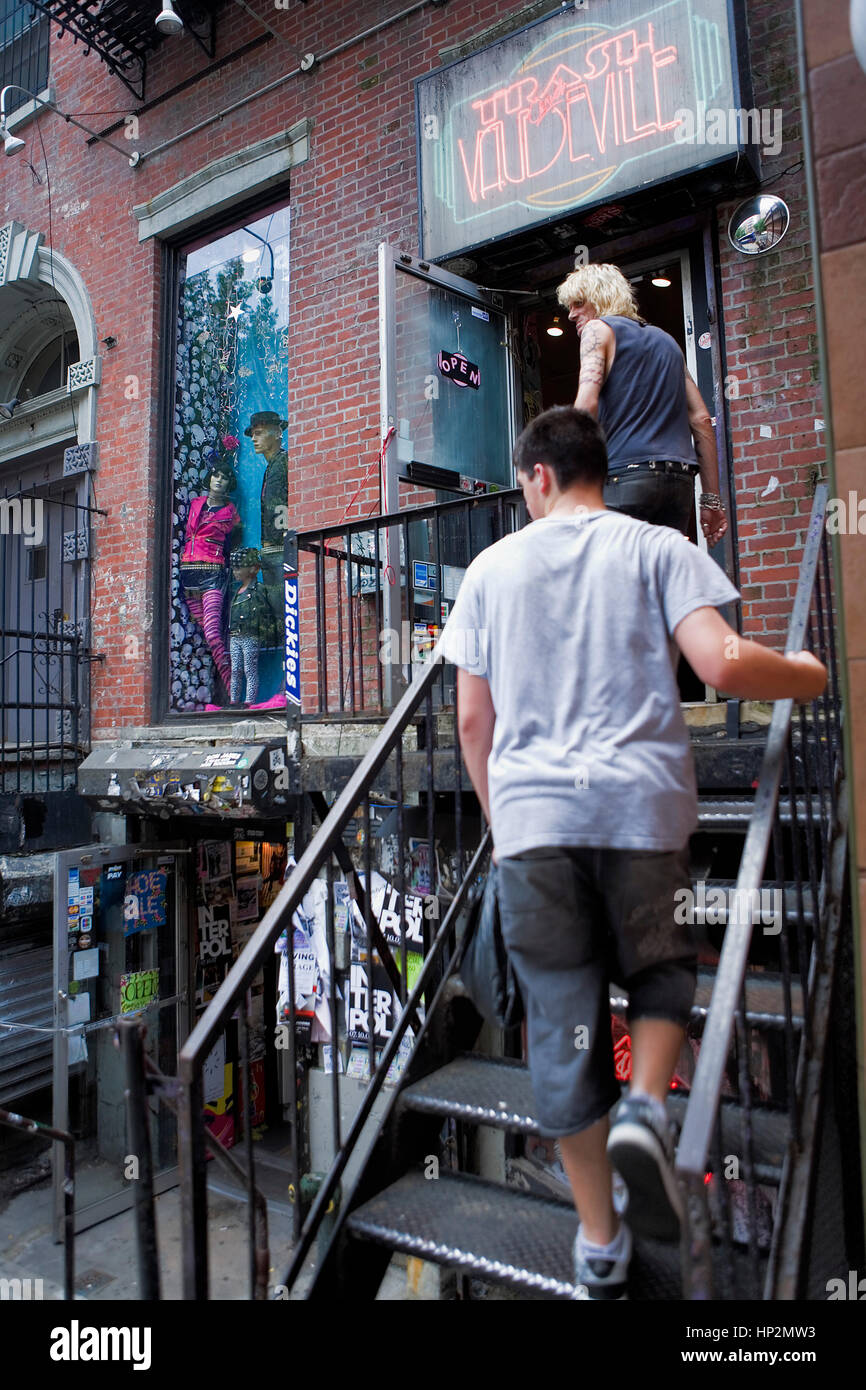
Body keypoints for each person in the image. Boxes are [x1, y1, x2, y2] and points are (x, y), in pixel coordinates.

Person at [438, 406, 826, 1300]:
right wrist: (807, 672)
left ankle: (601, 1244)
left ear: (537, 477)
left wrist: (507, 828)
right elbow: (723, 662)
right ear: (597, 473)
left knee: (565, 1029)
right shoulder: (656, 548)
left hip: (536, 826)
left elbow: (471, 723)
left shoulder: (492, 571)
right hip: (642, 813)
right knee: (659, 973)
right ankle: (648, 1106)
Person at [556, 264, 728, 546]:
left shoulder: (598, 330)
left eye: (578, 303)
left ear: (600, 296)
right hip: (678, 486)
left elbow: (586, 405)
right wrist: (710, 499)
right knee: (658, 580)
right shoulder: (669, 343)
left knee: (613, 579)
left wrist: (569, 477)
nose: (572, 314)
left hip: (625, 480)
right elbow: (700, 420)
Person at [180, 460, 241, 692]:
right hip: (188, 576)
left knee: (214, 634)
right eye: (216, 475)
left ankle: (232, 687)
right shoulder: (195, 503)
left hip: (213, 572)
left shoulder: (231, 513)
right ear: (209, 479)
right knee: (209, 638)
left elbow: (235, 541)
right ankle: (230, 691)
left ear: (229, 484)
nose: (219, 480)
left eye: (224, 477)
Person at [245, 409, 288, 614]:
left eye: (260, 432)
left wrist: (284, 536)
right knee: (280, 611)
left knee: (286, 610)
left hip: (281, 549)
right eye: (253, 434)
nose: (254, 438)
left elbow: (284, 504)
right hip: (271, 551)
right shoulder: (272, 466)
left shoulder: (284, 462)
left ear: (278, 433)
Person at [228, 546, 278, 706]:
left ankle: (249, 701)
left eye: (238, 568)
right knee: (235, 670)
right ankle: (234, 700)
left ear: (251, 569)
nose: (235, 572)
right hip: (235, 635)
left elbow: (266, 611)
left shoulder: (258, 590)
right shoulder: (237, 592)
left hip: (250, 634)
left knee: (249, 669)